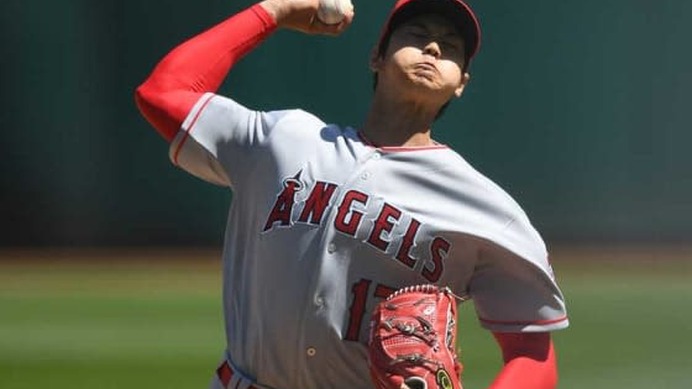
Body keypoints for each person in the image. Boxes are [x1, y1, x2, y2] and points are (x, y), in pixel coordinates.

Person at [135, 0, 569, 388]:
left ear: (461, 83)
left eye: (450, 46)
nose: (433, 48)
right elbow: (164, 92)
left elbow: (532, 356)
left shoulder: (488, 210)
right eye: (417, 35)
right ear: (377, 57)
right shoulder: (284, 139)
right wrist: (274, 12)